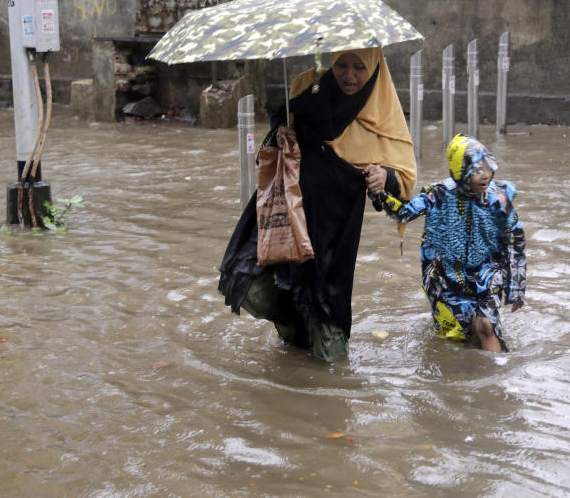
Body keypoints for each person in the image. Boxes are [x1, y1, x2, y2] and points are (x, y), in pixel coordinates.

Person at [218, 47, 417, 362]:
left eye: (358, 67)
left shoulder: (382, 113)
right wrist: (280, 134)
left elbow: (404, 181)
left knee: (324, 308)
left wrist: (382, 176)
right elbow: (272, 145)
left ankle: (325, 376)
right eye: (341, 65)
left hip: (334, 229)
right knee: (259, 281)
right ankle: (294, 365)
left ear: (373, 69)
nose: (349, 76)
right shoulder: (307, 89)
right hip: (287, 214)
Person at [375, 134, 525, 352]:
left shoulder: (499, 200)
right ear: (460, 173)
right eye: (477, 170)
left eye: (487, 168)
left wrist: (517, 289)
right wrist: (379, 192)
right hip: (445, 276)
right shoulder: (438, 195)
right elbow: (404, 213)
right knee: (454, 338)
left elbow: (516, 243)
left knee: (485, 326)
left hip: (487, 273)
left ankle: (496, 378)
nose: (486, 176)